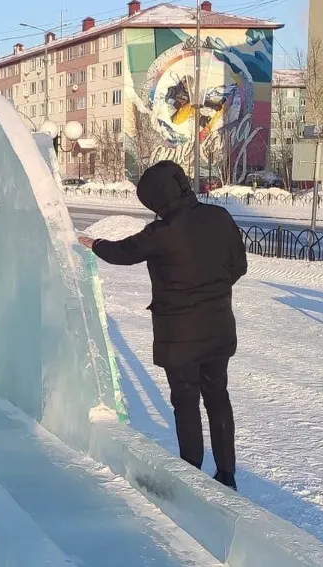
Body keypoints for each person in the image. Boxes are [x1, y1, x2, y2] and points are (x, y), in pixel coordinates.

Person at [78, 160, 247, 491]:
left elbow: (123, 253)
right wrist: (213, 289)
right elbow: (238, 265)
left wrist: (95, 244)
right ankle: (227, 474)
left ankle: (191, 475)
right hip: (218, 325)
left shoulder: (162, 232)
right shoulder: (219, 218)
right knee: (217, 395)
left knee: (185, 399)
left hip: (179, 334)